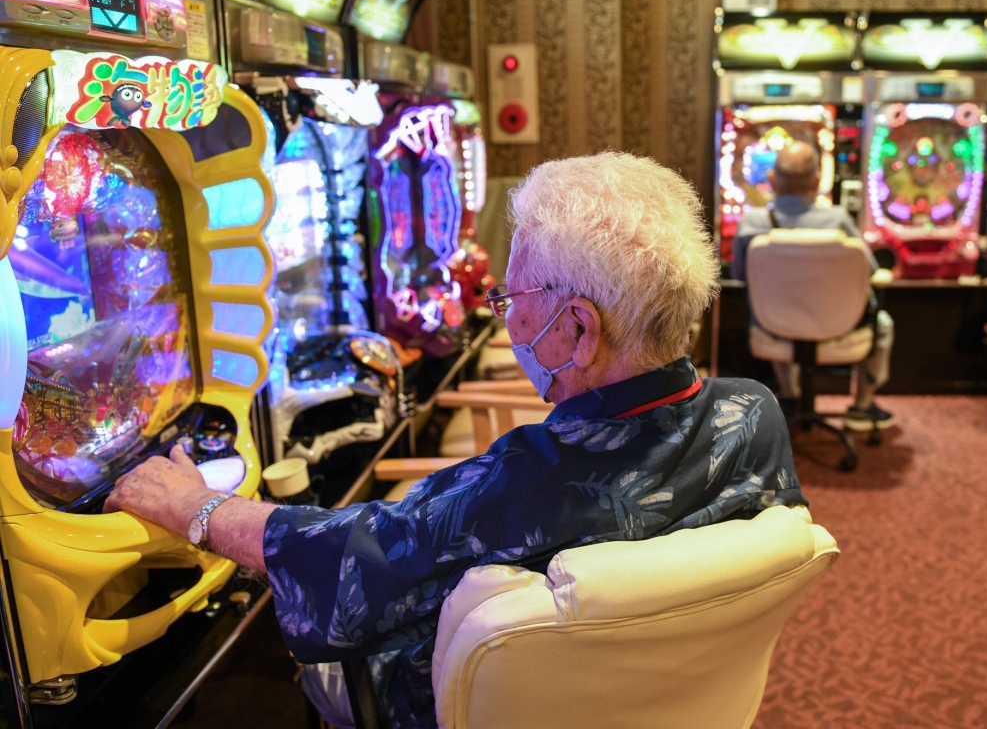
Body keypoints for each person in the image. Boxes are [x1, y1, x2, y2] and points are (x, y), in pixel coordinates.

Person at [104, 152, 808, 729]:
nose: (504, 320)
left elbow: (340, 557)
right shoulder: (756, 413)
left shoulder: (525, 483)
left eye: (512, 301)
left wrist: (194, 506)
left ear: (578, 328)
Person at [731, 141, 895, 432]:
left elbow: (740, 276)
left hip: (772, 327)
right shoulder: (838, 220)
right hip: (840, 328)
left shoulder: (751, 223)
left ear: (771, 180)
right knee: (882, 322)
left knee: (776, 307)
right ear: (818, 180)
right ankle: (862, 406)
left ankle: (791, 396)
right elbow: (868, 272)